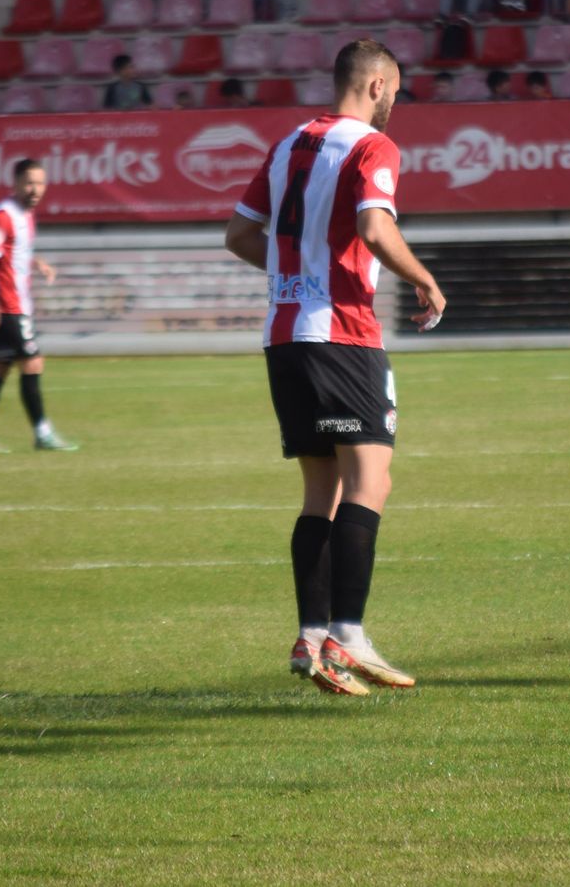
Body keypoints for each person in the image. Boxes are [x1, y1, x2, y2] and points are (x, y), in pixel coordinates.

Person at [223, 38, 446, 698]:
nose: (394, 108)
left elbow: (238, 236)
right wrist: (428, 281)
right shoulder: (373, 146)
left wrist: (297, 273)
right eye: (396, 94)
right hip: (342, 336)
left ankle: (311, 635)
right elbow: (375, 229)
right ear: (376, 85)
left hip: (284, 336)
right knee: (371, 480)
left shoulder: (289, 142)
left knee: (320, 491)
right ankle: (348, 631)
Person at [0, 159, 77, 455]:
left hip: (12, 306)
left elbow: (12, 252)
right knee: (32, 363)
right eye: (29, 183)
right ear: (15, 183)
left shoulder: (25, 215)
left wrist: (36, 262)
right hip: (8, 307)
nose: (35, 189)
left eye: (40, 183)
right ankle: (42, 432)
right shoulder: (3, 216)